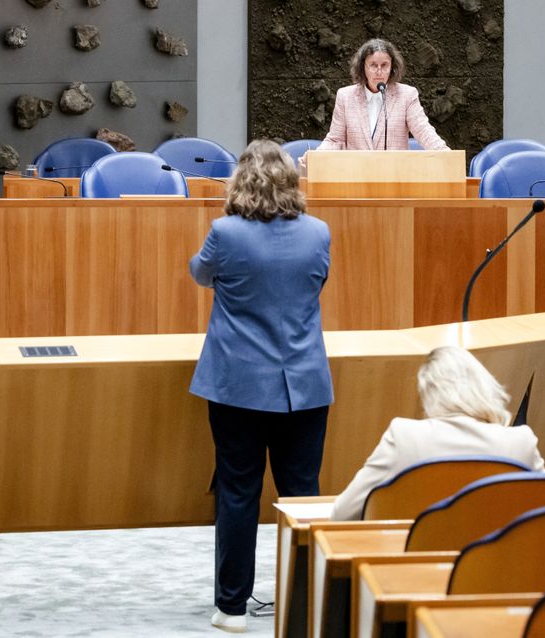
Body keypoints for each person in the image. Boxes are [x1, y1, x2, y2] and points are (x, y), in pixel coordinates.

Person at [188, 139, 333, 633]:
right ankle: (308, 600)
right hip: (304, 385)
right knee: (302, 495)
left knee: (237, 491)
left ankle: (231, 608)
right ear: (291, 182)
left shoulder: (225, 233)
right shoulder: (318, 232)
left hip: (238, 386)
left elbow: (199, 274)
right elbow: (317, 283)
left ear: (240, 183)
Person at [331, 346, 545, 521]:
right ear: (485, 387)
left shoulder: (404, 437)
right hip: (499, 571)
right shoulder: (520, 443)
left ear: (429, 394)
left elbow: (342, 515)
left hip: (409, 570)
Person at [316, 38, 449, 152]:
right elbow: (335, 140)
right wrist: (315, 155)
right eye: (373, 65)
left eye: (384, 65)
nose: (379, 72)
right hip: (357, 177)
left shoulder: (407, 95)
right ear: (363, 67)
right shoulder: (345, 96)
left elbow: (424, 131)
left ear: (392, 67)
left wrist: (444, 152)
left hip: (394, 177)